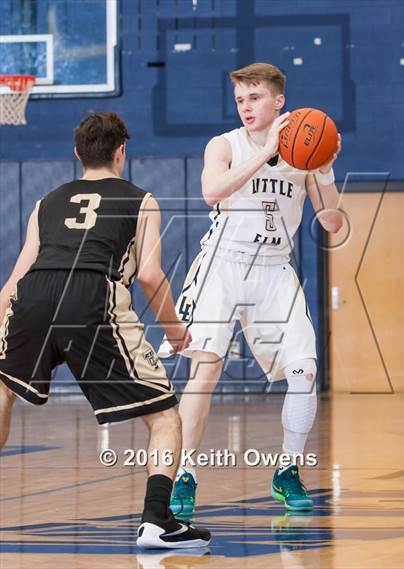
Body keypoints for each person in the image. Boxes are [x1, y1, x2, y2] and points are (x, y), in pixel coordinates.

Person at [0, 112, 210, 549]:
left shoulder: (45, 204)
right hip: (91, 295)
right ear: (121, 152)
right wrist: (174, 330)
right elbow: (150, 276)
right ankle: (158, 522)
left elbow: (14, 281)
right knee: (164, 415)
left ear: (78, 153)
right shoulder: (141, 199)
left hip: (33, 295)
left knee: (2, 389)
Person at [159, 63, 343, 515]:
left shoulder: (306, 155)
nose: (246, 106)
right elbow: (211, 192)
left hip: (275, 269)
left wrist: (324, 172)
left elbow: (332, 224)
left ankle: (287, 471)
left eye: (255, 97)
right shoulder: (224, 145)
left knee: (304, 371)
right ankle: (184, 474)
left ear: (279, 100)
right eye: (241, 99)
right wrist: (267, 153)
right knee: (206, 371)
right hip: (222, 264)